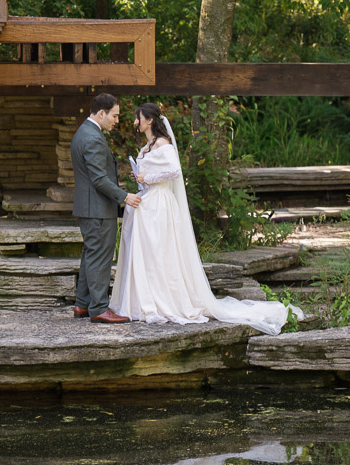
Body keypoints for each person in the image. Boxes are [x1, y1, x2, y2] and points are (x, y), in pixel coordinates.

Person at [110, 102, 303, 335]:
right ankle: (145, 298)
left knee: (161, 250)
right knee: (149, 252)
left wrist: (147, 176)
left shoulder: (164, 144)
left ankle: (164, 299)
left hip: (160, 203)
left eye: (138, 118)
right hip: (149, 200)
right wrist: (140, 177)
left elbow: (173, 171)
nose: (135, 122)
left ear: (149, 120)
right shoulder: (147, 146)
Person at [70, 93, 142, 324]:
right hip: (97, 210)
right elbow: (99, 179)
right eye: (115, 115)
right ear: (102, 113)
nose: (117, 121)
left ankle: (82, 304)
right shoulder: (92, 138)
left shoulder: (85, 132)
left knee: (90, 256)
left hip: (90, 208)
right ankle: (99, 308)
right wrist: (125, 197)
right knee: (100, 258)